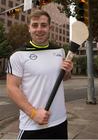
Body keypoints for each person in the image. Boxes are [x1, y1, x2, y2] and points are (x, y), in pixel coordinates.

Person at [6, 10, 73, 139]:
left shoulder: (59, 51)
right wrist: (33, 113)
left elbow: (64, 79)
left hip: (60, 121)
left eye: (43, 25)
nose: (39, 29)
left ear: (49, 28)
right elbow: (11, 88)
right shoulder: (18, 55)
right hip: (32, 125)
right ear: (29, 28)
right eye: (35, 25)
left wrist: (67, 72)